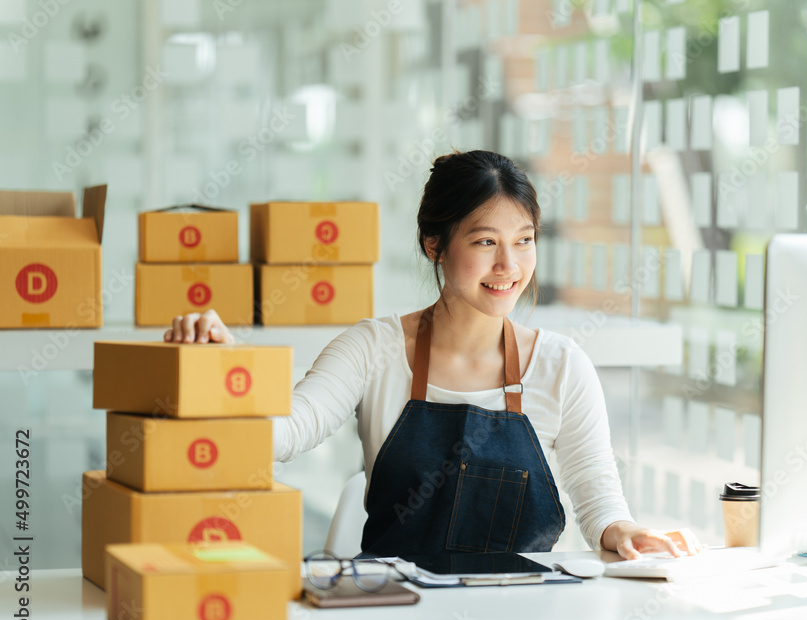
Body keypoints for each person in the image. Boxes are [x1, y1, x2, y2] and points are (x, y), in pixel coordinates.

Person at [165, 150, 702, 560]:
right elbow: (284, 432)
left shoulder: (562, 367)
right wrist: (224, 365)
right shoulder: (373, 349)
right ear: (434, 245)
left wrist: (625, 529)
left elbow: (597, 499)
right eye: (485, 242)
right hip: (394, 617)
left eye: (524, 240)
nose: (509, 266)